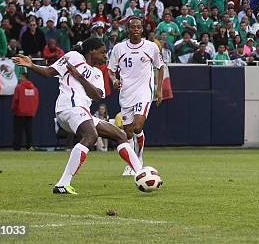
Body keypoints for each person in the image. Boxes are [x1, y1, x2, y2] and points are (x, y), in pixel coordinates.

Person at [12, 37, 143, 195]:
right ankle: (63, 184)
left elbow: (97, 95)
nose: (104, 56)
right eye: (102, 53)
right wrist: (31, 65)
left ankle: (141, 174)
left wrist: (79, 76)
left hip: (82, 111)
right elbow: (48, 72)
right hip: (69, 107)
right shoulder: (73, 56)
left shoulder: (97, 73)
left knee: (120, 135)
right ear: (92, 51)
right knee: (91, 135)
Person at [108, 17, 166, 176]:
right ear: (128, 29)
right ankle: (132, 163)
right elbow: (111, 70)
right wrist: (114, 80)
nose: (135, 30)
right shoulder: (119, 48)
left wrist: (159, 90)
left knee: (137, 127)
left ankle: (138, 160)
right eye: (132, 27)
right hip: (126, 93)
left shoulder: (151, 47)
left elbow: (160, 67)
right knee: (127, 134)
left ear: (142, 29)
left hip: (143, 93)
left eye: (138, 27)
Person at [11, 71, 39, 151]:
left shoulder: (19, 88)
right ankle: (29, 146)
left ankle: (17, 147)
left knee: (18, 131)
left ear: (24, 77)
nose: (20, 78)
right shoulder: (34, 89)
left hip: (19, 113)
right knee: (29, 131)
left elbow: (15, 100)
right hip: (30, 113)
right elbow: (36, 101)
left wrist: (13, 109)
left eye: (21, 77)